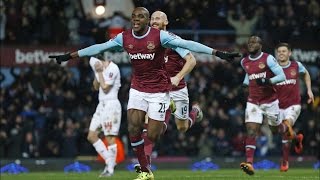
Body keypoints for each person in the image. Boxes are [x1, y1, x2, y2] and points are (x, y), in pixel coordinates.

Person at [49, 7, 241, 180]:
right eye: (134, 16)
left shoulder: (163, 37)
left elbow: (191, 47)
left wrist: (218, 53)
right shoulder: (125, 37)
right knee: (134, 129)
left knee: (162, 132)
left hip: (164, 90)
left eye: (142, 16)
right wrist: (69, 56)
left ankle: (193, 112)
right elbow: (99, 48)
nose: (137, 19)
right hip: (138, 89)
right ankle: (145, 170)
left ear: (153, 21)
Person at [134, 11, 204, 173]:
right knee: (151, 126)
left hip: (178, 89)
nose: (154, 21)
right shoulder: (146, 40)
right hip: (158, 89)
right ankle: (146, 166)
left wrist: (178, 77)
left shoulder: (173, 40)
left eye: (157, 18)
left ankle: (195, 112)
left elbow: (192, 60)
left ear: (166, 22)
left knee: (182, 127)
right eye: (152, 19)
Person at [240, 36, 290, 175]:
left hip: (270, 101)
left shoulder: (268, 58)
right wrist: (244, 84)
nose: (251, 44)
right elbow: (248, 75)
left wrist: (267, 81)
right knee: (251, 130)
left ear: (260, 45)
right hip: (253, 101)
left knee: (275, 130)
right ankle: (249, 163)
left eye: (254, 42)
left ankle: (286, 127)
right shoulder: (244, 61)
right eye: (249, 42)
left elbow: (282, 76)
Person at [274, 43, 314, 172]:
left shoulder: (296, 65)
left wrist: (309, 90)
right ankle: (297, 138)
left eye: (284, 51)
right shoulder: (272, 68)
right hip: (277, 107)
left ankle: (285, 162)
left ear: (289, 53)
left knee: (286, 126)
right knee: (283, 131)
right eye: (279, 51)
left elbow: (306, 74)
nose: (281, 53)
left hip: (294, 105)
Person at [87, 54, 121, 177]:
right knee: (91, 136)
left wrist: (100, 72)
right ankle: (109, 161)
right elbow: (96, 87)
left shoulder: (113, 68)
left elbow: (105, 88)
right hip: (101, 105)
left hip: (112, 105)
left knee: (110, 138)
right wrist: (97, 73)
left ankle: (110, 170)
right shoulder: (100, 69)